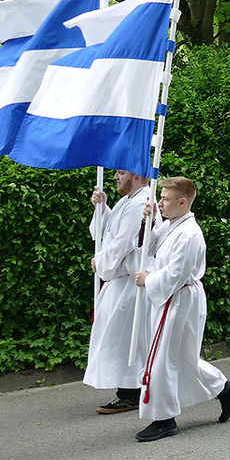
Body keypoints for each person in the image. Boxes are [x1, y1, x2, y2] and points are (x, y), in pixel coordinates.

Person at [133, 177, 230, 442]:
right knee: (181, 358)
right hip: (172, 297)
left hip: (178, 298)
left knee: (162, 358)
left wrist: (148, 279)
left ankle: (164, 419)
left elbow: (176, 274)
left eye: (166, 199)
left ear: (183, 202)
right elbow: (151, 244)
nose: (161, 203)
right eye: (161, 198)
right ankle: (225, 389)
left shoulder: (190, 233)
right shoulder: (173, 225)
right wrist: (149, 221)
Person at [85, 169, 153, 414]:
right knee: (121, 340)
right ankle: (130, 390)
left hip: (130, 282)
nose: (115, 176)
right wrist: (102, 208)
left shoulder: (141, 202)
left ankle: (132, 392)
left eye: (120, 172)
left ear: (136, 175)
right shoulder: (127, 201)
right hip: (121, 282)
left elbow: (122, 243)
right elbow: (106, 232)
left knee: (125, 340)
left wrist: (100, 262)